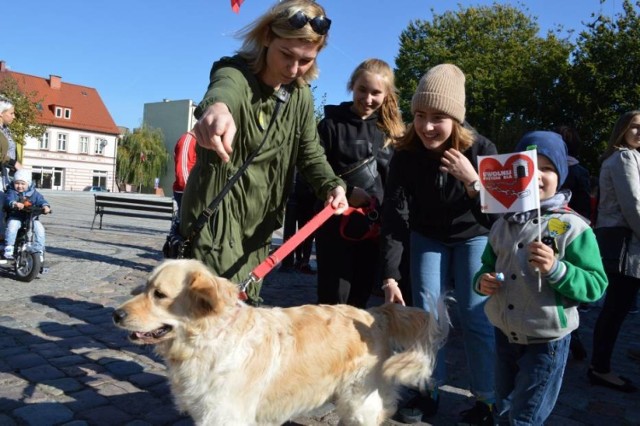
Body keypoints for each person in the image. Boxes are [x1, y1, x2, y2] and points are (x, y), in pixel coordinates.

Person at [181, 0, 348, 305]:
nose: (294, 68)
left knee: (240, 312)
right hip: (218, 222)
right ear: (267, 38)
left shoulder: (300, 97)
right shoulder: (235, 73)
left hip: (259, 228)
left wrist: (331, 184)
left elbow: (309, 152)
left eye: (306, 60)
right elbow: (223, 92)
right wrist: (217, 110)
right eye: (287, 55)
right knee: (219, 316)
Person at [381, 64, 497, 425]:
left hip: (473, 236)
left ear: (456, 120)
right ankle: (428, 388)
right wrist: (390, 276)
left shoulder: (483, 149)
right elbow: (394, 217)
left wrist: (473, 182)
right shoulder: (406, 154)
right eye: (419, 115)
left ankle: (487, 400)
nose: (427, 126)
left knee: (477, 318)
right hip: (427, 236)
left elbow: (499, 218)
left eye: (438, 117)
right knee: (427, 317)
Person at [474, 131, 608, 424]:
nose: (536, 175)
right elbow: (487, 265)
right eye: (527, 167)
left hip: (545, 340)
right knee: (504, 405)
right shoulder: (502, 224)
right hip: (503, 333)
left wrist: (557, 270)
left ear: (560, 174)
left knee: (526, 414)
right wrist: (483, 281)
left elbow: (596, 285)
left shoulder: (573, 227)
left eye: (546, 168)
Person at [315, 58, 404, 308]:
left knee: (359, 302)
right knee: (333, 302)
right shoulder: (330, 125)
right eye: (362, 90)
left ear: (386, 95)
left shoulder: (393, 133)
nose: (367, 98)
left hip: (374, 230)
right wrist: (347, 190)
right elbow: (314, 172)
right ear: (352, 86)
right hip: (336, 228)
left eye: (376, 92)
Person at [589, 110, 640, 393]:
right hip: (624, 242)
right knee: (617, 307)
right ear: (623, 129)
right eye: (635, 127)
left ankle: (600, 364)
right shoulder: (623, 157)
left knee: (620, 306)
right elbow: (633, 205)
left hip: (628, 240)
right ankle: (600, 368)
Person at [555, 125, 591, 360]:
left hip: (548, 230)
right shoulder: (580, 172)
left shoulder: (541, 167)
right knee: (566, 286)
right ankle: (570, 335)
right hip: (572, 233)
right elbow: (586, 205)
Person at [3, 169, 50, 260]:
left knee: (40, 230)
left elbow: (41, 200)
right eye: (17, 183)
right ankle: (9, 247)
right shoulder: (12, 191)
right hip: (16, 216)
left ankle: (39, 250)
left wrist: (45, 206)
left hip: (31, 218)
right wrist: (14, 203)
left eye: (22, 183)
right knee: (13, 226)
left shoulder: (34, 193)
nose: (20, 186)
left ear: (28, 183)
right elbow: (9, 199)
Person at [280, 170, 317, 274]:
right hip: (305, 205)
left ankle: (302, 260)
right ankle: (302, 260)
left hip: (307, 205)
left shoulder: (300, 175)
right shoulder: (302, 176)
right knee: (305, 235)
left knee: (306, 235)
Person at [0, 96, 23, 244]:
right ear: (1, 113)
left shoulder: (6, 130)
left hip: (6, 175)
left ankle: (7, 239)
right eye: (11, 113)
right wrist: (14, 163)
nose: (14, 116)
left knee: (7, 205)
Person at [169, 131, 197, 236]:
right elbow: (182, 168)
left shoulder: (197, 140)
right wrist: (190, 191)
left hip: (191, 191)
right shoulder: (188, 140)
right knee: (185, 229)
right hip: (186, 192)